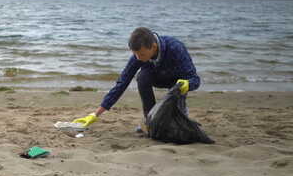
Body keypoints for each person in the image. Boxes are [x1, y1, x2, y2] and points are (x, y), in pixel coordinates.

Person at [72, 27, 200, 132]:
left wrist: (187, 84)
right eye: (135, 54)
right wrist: (95, 114)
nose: (138, 58)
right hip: (156, 77)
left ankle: (181, 115)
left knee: (178, 123)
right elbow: (122, 83)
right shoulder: (138, 56)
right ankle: (150, 120)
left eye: (142, 54)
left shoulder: (175, 48)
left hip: (177, 83)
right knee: (142, 76)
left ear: (154, 47)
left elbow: (195, 79)